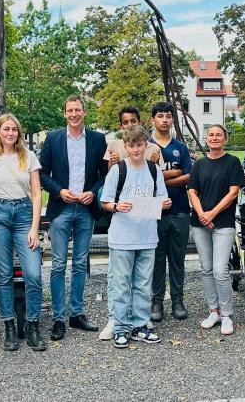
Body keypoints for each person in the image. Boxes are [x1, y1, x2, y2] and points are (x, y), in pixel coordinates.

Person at [40, 95, 107, 341]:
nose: (74, 114)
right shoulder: (53, 139)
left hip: (86, 208)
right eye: (70, 110)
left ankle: (76, 314)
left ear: (84, 112)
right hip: (62, 207)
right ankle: (58, 317)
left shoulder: (98, 140)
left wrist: (93, 191)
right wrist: (59, 191)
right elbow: (42, 174)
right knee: (58, 265)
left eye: (78, 110)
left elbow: (104, 175)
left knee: (80, 263)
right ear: (64, 113)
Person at [0, 114, 46, 351]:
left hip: (25, 213)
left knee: (33, 273)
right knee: (4, 275)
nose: (10, 133)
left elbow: (37, 194)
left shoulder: (29, 157)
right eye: (6, 129)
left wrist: (34, 228)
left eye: (14, 129)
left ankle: (33, 324)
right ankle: (9, 326)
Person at [100, 126, 171, 348]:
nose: (136, 149)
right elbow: (105, 202)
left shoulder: (153, 170)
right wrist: (117, 206)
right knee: (121, 283)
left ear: (145, 145)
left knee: (142, 283)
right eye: (131, 145)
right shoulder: (117, 170)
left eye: (140, 145)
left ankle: (140, 324)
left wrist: (164, 203)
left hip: (147, 235)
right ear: (125, 147)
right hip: (122, 236)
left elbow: (162, 198)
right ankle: (120, 326)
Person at [188, 124, 244, 336]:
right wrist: (202, 214)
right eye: (211, 135)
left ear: (225, 139)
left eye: (218, 134)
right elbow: (192, 191)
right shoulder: (199, 164)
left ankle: (227, 314)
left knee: (220, 270)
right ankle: (213, 311)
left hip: (223, 223)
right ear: (206, 138)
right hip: (200, 223)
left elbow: (233, 193)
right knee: (206, 269)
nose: (214, 138)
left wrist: (211, 214)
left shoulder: (232, 162)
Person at [149, 102, 193, 324]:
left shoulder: (181, 147)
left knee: (177, 259)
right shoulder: (147, 146)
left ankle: (178, 300)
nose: (164, 120)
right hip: (155, 212)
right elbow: (146, 176)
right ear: (152, 120)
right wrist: (172, 174)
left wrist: (162, 174)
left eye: (168, 116)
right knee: (157, 259)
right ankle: (156, 301)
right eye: (160, 116)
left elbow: (189, 176)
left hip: (180, 210)